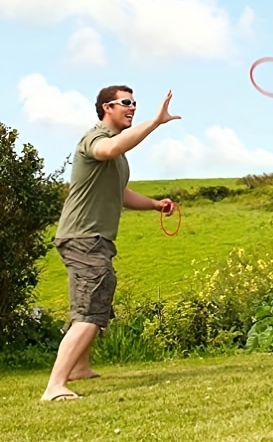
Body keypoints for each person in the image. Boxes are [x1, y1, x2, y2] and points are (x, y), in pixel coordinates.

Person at [41, 86, 181, 401]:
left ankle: (79, 367)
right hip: (83, 237)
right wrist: (155, 122)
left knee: (94, 300)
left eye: (135, 102)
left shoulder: (117, 155)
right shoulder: (95, 139)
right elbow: (108, 150)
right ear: (107, 107)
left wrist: (155, 204)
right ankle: (55, 386)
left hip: (93, 238)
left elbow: (121, 194)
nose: (132, 108)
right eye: (126, 103)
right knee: (91, 307)